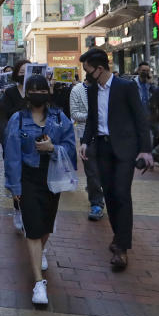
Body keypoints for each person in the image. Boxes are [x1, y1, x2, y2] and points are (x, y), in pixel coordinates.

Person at [4, 75, 76, 305]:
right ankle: (38, 282)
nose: (37, 93)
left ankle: (39, 253)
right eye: (32, 89)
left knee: (45, 226)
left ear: (48, 92)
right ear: (26, 92)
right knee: (33, 229)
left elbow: (71, 147)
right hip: (28, 178)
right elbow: (12, 155)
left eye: (41, 90)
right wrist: (14, 186)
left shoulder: (59, 118)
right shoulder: (18, 119)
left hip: (52, 179)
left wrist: (53, 147)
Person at [78, 49, 153, 271]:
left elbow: (141, 119)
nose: (86, 75)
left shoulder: (125, 87)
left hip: (124, 149)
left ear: (99, 69)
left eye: (88, 70)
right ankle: (118, 236)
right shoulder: (91, 90)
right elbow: (92, 118)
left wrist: (146, 150)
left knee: (122, 194)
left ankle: (122, 247)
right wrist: (85, 141)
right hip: (102, 148)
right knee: (109, 194)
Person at [0, 58, 30, 231]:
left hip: (33, 141)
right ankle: (18, 210)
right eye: (21, 72)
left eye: (27, 71)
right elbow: (6, 112)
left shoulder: (37, 90)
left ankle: (27, 210)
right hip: (13, 140)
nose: (24, 75)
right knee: (16, 175)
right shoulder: (10, 92)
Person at [69, 78, 103, 221]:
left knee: (105, 171)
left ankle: (96, 190)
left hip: (108, 136)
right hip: (86, 136)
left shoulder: (107, 89)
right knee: (92, 171)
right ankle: (96, 203)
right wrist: (94, 117)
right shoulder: (77, 90)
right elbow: (75, 113)